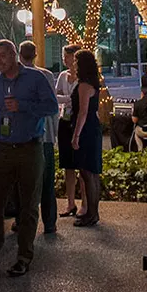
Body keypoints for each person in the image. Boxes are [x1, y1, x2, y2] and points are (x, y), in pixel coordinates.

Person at [0, 39, 58, 277]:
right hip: (4, 146)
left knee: (28, 204)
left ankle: (24, 256)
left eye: (3, 55)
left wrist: (24, 106)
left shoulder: (35, 78)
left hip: (30, 147)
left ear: (14, 55)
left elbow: (51, 107)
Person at [18, 40, 57, 235]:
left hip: (26, 137)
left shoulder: (17, 77)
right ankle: (49, 222)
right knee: (47, 181)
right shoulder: (47, 75)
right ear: (35, 54)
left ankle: (22, 220)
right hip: (47, 135)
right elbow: (53, 106)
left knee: (24, 182)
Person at [71, 49, 103, 228]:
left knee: (87, 172)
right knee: (92, 172)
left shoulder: (84, 85)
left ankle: (91, 213)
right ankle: (93, 212)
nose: (74, 65)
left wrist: (76, 136)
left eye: (76, 62)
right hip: (93, 127)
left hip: (86, 129)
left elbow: (82, 112)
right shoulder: (93, 83)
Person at [56, 43, 86, 218]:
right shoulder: (62, 76)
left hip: (79, 122)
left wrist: (66, 100)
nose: (65, 60)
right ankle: (70, 203)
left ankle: (85, 204)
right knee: (68, 165)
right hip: (64, 122)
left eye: (68, 56)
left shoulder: (84, 79)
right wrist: (70, 99)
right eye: (64, 56)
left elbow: (81, 103)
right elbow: (56, 96)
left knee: (82, 165)